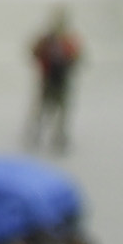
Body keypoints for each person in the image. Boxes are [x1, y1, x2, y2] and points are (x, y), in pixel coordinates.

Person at [24, 14, 81, 151]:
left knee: (61, 110)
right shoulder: (46, 40)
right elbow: (34, 53)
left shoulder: (68, 41)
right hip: (48, 79)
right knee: (43, 108)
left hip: (61, 80)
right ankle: (37, 132)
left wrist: (68, 61)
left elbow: (77, 58)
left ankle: (58, 135)